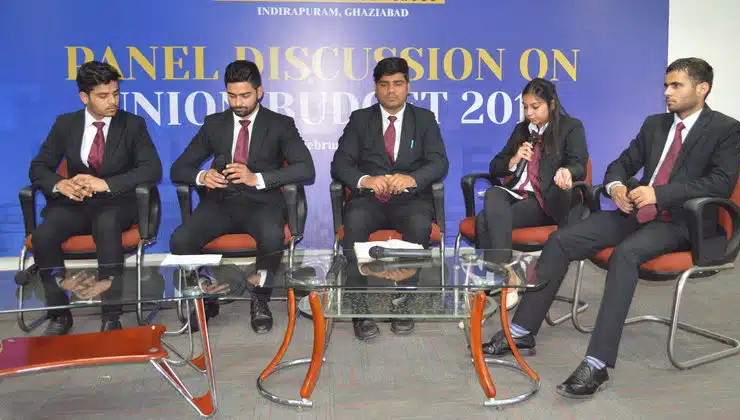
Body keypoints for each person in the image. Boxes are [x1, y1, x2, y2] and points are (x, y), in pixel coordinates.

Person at [482, 58, 740, 398]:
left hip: (683, 222)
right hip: (635, 212)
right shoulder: (655, 124)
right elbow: (621, 163)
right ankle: (520, 332)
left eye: (676, 85)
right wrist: (616, 187)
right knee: (561, 240)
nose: (667, 92)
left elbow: (721, 182)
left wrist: (660, 194)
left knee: (625, 255)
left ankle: (598, 363)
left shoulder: (726, 128)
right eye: (666, 85)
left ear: (702, 88)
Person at [170, 60, 314, 334]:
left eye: (245, 95)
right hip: (220, 203)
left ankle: (260, 300)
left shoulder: (280, 124)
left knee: (272, 237)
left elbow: (306, 168)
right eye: (232, 96)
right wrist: (202, 176)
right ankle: (206, 296)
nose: (238, 103)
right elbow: (179, 168)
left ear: (259, 92)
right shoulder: (215, 124)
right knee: (180, 239)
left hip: (263, 204)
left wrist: (256, 178)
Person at [29, 60, 162, 335]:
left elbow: (152, 169)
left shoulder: (132, 125)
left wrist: (106, 184)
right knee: (43, 236)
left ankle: (111, 316)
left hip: (117, 204)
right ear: (84, 97)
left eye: (115, 93)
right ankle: (59, 314)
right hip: (76, 204)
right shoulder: (66, 124)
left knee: (107, 224)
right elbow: (39, 167)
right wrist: (61, 184)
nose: (112, 101)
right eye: (103, 96)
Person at [332, 56, 449, 340]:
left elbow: (439, 162)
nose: (391, 90)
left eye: (397, 84)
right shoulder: (360, 119)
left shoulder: (424, 119)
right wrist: (365, 180)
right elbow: (340, 164)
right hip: (368, 200)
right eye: (384, 85)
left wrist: (413, 179)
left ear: (408, 86)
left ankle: (403, 302)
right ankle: (360, 308)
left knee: (419, 224)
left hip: (409, 200)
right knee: (354, 222)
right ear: (376, 88)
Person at [476, 78, 589, 264]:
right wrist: (514, 160)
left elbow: (579, 164)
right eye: (525, 107)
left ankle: (499, 274)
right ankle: (503, 273)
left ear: (551, 104)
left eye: (535, 107)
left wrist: (567, 171)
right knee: (493, 193)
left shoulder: (570, 128)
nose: (529, 113)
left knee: (483, 220)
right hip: (517, 194)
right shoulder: (521, 130)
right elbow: (494, 167)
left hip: (545, 199)